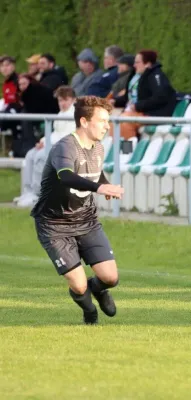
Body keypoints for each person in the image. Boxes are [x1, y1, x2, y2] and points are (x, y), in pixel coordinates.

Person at [31, 96, 125, 324]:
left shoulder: (99, 147)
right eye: (102, 120)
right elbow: (66, 176)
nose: (106, 126)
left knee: (110, 278)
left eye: (108, 121)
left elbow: (94, 172)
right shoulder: (65, 146)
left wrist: (106, 184)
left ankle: (99, 289)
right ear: (84, 121)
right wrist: (99, 187)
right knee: (78, 284)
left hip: (86, 220)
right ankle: (88, 310)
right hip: (54, 225)